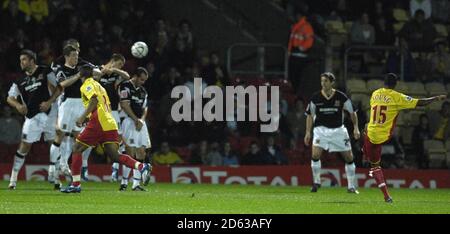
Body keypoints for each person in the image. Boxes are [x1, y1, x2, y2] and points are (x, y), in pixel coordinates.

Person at [60, 65, 151, 193]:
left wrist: (82, 117)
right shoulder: (100, 86)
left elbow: (94, 101)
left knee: (76, 148)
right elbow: (101, 105)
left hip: (99, 122)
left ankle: (75, 184)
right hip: (109, 122)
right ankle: (141, 166)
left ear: (81, 75)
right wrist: (88, 118)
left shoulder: (87, 84)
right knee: (115, 155)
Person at [363, 73, 446, 202]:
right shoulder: (397, 97)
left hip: (370, 133)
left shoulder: (375, 93)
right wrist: (435, 98)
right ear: (395, 84)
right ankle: (386, 196)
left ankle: (366, 155)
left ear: (383, 82)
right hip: (383, 136)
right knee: (376, 166)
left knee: (367, 133)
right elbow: (420, 103)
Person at [6, 49, 62, 190]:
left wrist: (49, 102)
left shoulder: (45, 71)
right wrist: (18, 105)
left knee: (53, 145)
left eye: (24, 59)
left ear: (32, 60)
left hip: (49, 114)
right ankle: (13, 180)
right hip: (32, 117)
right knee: (24, 146)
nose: (22, 62)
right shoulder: (19, 80)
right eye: (20, 60)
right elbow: (9, 98)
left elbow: (59, 88)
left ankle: (56, 179)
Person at [304, 72, 360, 193]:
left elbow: (352, 112)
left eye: (325, 81)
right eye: (321, 81)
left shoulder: (341, 97)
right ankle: (316, 182)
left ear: (332, 82)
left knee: (349, 158)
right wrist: (308, 132)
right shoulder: (315, 97)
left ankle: (351, 186)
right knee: (315, 155)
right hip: (320, 130)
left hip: (338, 130)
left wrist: (356, 127)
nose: (323, 84)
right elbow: (309, 115)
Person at [95, 53, 130, 182]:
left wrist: (115, 69)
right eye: (119, 64)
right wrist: (102, 71)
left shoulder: (117, 75)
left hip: (113, 111)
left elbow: (127, 76)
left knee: (118, 141)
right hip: (99, 111)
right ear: (113, 60)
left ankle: (115, 170)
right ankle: (84, 170)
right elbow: (92, 79)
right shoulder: (98, 70)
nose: (121, 67)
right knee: (90, 141)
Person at [117, 67, 152, 191]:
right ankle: (124, 182)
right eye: (141, 79)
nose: (143, 82)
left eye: (144, 80)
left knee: (141, 151)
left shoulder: (143, 91)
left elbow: (145, 108)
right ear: (135, 76)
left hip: (139, 123)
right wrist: (135, 119)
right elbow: (124, 104)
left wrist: (141, 120)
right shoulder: (125, 86)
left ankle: (136, 184)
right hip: (128, 121)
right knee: (130, 152)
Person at [287, 10, 314, 93]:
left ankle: (295, 93)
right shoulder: (296, 26)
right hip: (293, 55)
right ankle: (293, 92)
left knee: (296, 77)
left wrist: (300, 48)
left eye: (297, 15)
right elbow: (291, 40)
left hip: (300, 56)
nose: (295, 17)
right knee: (292, 77)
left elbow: (309, 41)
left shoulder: (306, 26)